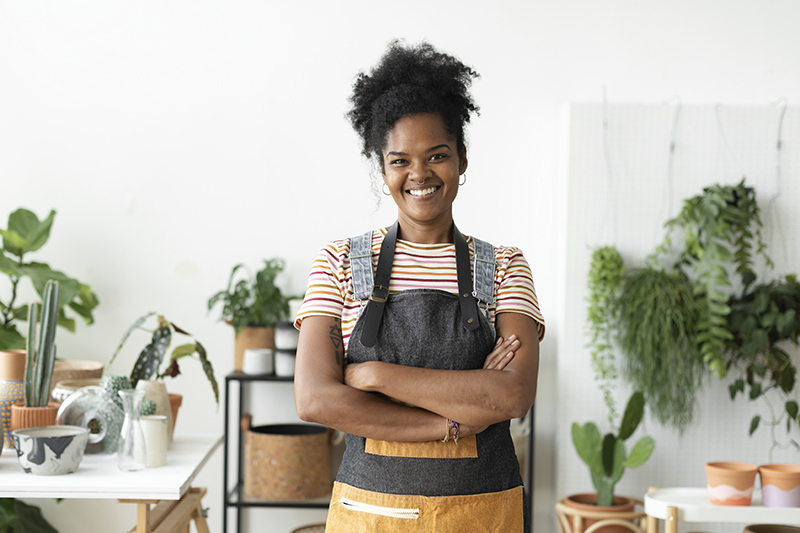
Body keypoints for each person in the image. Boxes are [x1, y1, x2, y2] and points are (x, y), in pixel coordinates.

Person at [294, 41, 545, 532]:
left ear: (462, 159)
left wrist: (375, 377)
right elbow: (316, 400)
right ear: (382, 168)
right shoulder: (339, 263)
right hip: (372, 518)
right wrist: (453, 422)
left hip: (481, 517)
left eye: (437, 155)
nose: (419, 174)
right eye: (400, 160)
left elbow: (513, 396)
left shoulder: (505, 266)